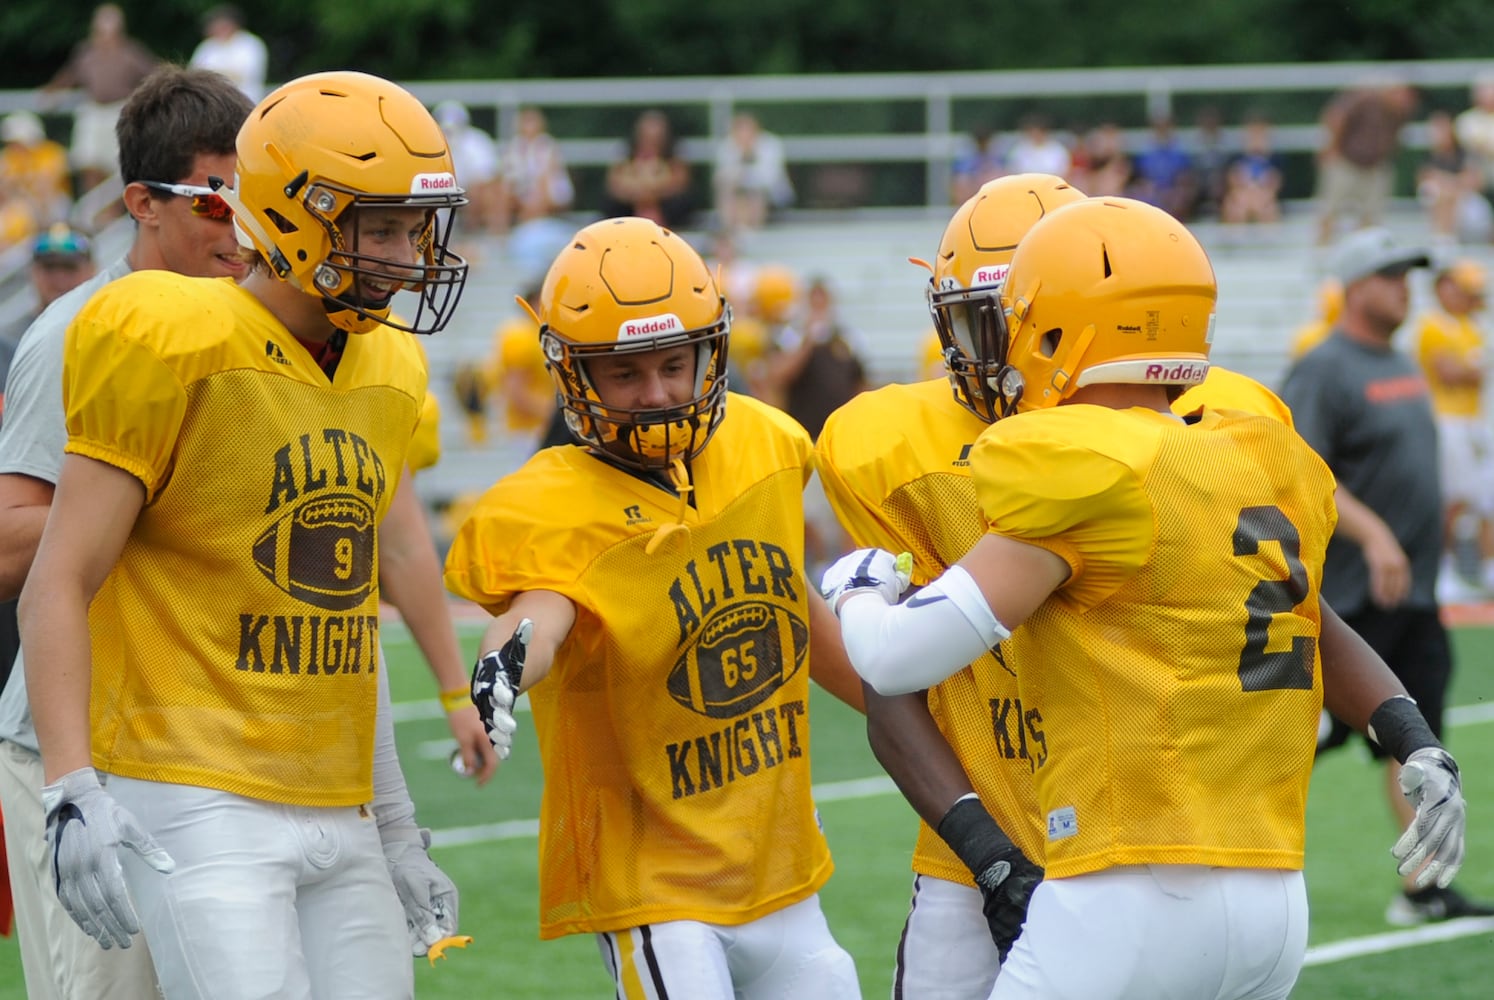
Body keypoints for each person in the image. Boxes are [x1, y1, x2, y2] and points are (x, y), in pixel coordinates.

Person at [822, 198, 1467, 998]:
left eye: (1016, 316)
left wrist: (852, 589)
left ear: (1060, 328)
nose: (1001, 346)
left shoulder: (1070, 460)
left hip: (1122, 868)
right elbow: (1299, 611)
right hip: (1267, 882)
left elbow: (892, 658)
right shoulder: (1249, 443)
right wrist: (1412, 732)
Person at [16, 70, 470, 999]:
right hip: (192, 785)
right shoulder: (158, 332)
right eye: (378, 226)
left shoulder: (386, 363)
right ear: (292, 217)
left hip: (333, 794)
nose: (405, 254)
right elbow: (53, 580)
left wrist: (393, 822)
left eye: (413, 227)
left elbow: (345, 618)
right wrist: (71, 789)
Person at [444, 216, 863, 999]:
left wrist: (917, 708)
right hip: (653, 879)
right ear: (573, 374)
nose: (659, 393)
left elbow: (793, 607)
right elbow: (542, 608)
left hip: (778, 866)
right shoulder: (551, 498)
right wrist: (503, 662)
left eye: (675, 364)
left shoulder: (766, 444)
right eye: (626, 374)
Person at [0, 66, 253, 1000]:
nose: (243, 227)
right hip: (80, 742)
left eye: (258, 200)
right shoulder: (78, 328)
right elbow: (8, 539)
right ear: (141, 202)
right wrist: (146, 500)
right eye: (216, 201)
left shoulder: (259, 324)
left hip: (212, 734)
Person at [1281, 227, 1493, 926]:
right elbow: (1298, 473)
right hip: (1346, 604)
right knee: (1282, 748)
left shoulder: (1398, 359)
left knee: (1421, 745)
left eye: (1408, 276)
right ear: (1351, 284)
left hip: (1414, 597)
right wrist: (1373, 535)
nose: (1404, 287)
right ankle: (1211, 865)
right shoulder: (1324, 368)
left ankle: (1424, 891)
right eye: (1389, 275)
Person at [1414, 260, 1494, 599]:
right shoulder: (1434, 325)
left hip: (1474, 420)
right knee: (1452, 498)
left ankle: (1487, 569)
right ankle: (1443, 570)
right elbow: (1451, 373)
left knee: (1485, 500)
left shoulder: (1471, 326)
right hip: (1447, 419)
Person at [41, 4, 157, 196]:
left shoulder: (130, 52)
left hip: (119, 110)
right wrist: (52, 90)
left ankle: (114, 217)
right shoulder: (87, 52)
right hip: (93, 110)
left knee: (118, 167)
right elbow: (70, 75)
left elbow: (153, 74)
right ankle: (92, 212)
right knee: (88, 162)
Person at [1313, 79, 1415, 245]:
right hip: (1346, 161)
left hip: (1376, 165)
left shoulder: (1401, 111)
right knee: (1330, 209)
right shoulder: (1366, 99)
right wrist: (1333, 148)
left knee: (1372, 215)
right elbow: (1336, 116)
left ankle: (1364, 252)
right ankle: (1321, 253)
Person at [1, 224, 95, 396]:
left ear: (92, 270)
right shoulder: (8, 341)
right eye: (49, 267)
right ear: (33, 272)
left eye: (69, 267)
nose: (59, 278)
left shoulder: (105, 335)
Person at [602, 109, 693, 229]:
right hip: (630, 206)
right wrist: (640, 193)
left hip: (666, 209)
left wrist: (649, 192)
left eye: (657, 137)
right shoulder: (625, 155)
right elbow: (614, 185)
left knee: (680, 202)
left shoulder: (675, 156)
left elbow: (680, 183)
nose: (651, 142)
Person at [713, 110, 794, 233]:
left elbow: (769, 179)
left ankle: (748, 233)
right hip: (737, 196)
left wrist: (742, 176)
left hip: (771, 199)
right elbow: (722, 177)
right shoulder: (727, 146)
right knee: (729, 190)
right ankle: (733, 231)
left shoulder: (771, 145)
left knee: (755, 193)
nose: (744, 135)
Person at [433, 100, 502, 234]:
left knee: (489, 192)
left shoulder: (477, 141)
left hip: (467, 191)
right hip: (440, 192)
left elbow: (488, 176)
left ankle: (476, 234)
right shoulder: (427, 142)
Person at [0, 110, 72, 228]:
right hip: (21, 204)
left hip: (52, 204)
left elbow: (46, 186)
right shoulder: (9, 156)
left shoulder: (51, 153)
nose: (13, 146)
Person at [187, 4, 268, 102]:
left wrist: (210, 76)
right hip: (213, 102)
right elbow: (193, 74)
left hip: (246, 100)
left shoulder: (250, 44)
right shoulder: (207, 47)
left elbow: (245, 75)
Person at [1221, 115, 1284, 226]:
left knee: (1270, 209)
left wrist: (1260, 198)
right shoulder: (1236, 159)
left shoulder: (1274, 160)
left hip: (1265, 198)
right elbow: (1232, 182)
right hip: (1241, 197)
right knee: (1232, 207)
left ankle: (1268, 239)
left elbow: (1275, 185)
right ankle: (1235, 239)